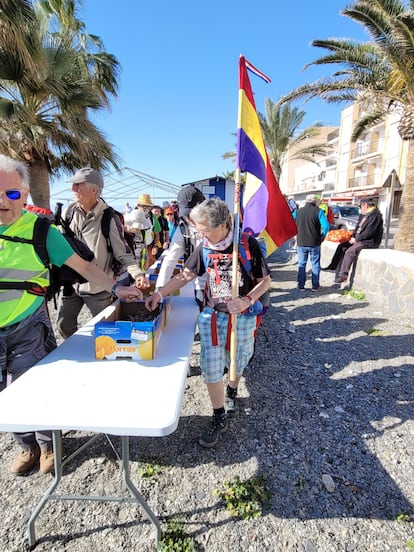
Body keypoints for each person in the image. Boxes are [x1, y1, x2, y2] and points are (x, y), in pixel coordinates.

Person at [0, 155, 142, 476]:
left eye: (11, 193)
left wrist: (125, 283)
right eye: (73, 187)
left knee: (33, 385)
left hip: (41, 319)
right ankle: (28, 445)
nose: (74, 191)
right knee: (8, 395)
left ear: (23, 194)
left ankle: (50, 442)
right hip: (74, 291)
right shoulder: (66, 214)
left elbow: (104, 260)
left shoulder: (102, 219)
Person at [146, 198, 271, 448]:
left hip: (243, 317)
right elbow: (186, 275)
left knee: (237, 358)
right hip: (212, 316)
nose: (201, 234)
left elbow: (266, 281)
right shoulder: (204, 246)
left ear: (224, 225)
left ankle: (232, 389)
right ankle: (218, 414)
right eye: (199, 230)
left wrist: (247, 299)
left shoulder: (247, 245)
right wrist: (160, 293)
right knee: (211, 367)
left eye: (205, 229)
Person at [57, 167, 146, 339]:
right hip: (72, 285)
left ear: (94, 189)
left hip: (100, 288)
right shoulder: (68, 212)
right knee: (63, 326)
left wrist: (138, 274)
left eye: (78, 185)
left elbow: (124, 254)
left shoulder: (109, 218)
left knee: (107, 333)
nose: (73, 189)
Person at [156, 184, 206, 308]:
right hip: (200, 284)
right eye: (186, 214)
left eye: (193, 213)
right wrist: (160, 290)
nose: (189, 218)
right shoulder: (183, 228)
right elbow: (170, 259)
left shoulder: (217, 225)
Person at [334, 198, 384, 284]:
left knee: (350, 251)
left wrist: (357, 239)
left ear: (365, 205)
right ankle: (336, 270)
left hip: (369, 241)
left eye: (360, 206)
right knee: (342, 246)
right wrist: (352, 237)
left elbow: (369, 232)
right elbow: (357, 228)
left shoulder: (375, 216)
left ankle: (343, 275)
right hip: (359, 239)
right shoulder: (364, 215)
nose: (360, 208)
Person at [293, 194, 329, 291]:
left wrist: (295, 235)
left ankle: (301, 286)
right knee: (315, 264)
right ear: (315, 202)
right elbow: (326, 226)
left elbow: (291, 223)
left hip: (301, 241)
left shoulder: (297, 212)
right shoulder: (319, 211)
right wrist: (322, 236)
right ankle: (315, 286)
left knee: (301, 264)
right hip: (314, 242)